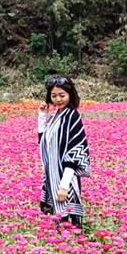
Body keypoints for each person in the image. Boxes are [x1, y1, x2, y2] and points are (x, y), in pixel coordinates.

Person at [37, 75, 90, 228]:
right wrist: (42, 115)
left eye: (62, 95)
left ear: (70, 95)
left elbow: (74, 151)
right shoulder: (55, 115)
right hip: (52, 176)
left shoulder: (72, 117)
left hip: (64, 178)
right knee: (57, 223)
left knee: (69, 224)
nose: (58, 99)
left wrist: (64, 185)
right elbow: (43, 141)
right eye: (54, 96)